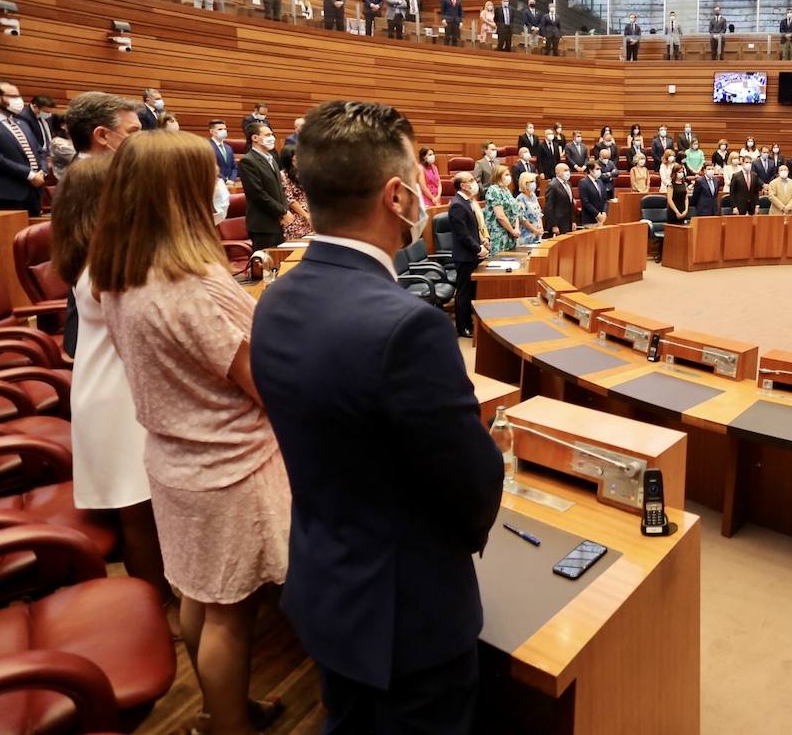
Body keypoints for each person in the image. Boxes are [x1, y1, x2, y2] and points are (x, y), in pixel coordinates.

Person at [251, 101, 502, 733]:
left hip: (327, 591)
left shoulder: (274, 299)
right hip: (407, 619)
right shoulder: (408, 326)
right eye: (418, 176)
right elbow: (473, 489)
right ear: (397, 195)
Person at [92, 131, 290, 735]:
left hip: (173, 460)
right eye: (207, 179)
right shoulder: (199, 283)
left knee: (200, 597)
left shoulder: (121, 275)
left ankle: (218, 709)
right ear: (181, 193)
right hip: (229, 466)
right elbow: (265, 384)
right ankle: (227, 724)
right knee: (231, 614)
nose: (217, 189)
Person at [52, 154, 175, 630]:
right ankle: (157, 611)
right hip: (115, 396)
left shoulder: (89, 256)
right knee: (137, 509)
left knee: (137, 506)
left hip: (102, 389)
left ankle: (157, 602)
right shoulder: (109, 265)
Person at [0, 79, 47, 216]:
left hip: (35, 191)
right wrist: (30, 174)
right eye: (14, 96)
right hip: (9, 194)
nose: (19, 100)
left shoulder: (21, 123)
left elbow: (39, 151)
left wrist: (42, 172)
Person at [239, 122, 291, 250]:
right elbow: (258, 194)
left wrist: (284, 211)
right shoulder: (248, 161)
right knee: (265, 266)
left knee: (279, 263)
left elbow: (280, 189)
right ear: (255, 138)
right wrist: (282, 211)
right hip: (263, 225)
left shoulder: (272, 158)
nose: (272, 137)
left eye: (272, 134)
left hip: (277, 222)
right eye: (267, 134)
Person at [447, 172, 487, 335]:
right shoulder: (457, 204)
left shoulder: (466, 202)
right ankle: (463, 327)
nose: (474, 182)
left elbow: (471, 229)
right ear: (463, 185)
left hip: (471, 254)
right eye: (470, 180)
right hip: (465, 257)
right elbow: (463, 235)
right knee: (463, 292)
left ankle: (469, 323)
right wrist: (478, 249)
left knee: (470, 290)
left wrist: (482, 241)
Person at [484, 165, 521, 254]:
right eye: (506, 175)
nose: (509, 177)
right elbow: (500, 216)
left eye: (509, 175)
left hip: (511, 233)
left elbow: (515, 211)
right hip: (499, 232)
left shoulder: (506, 190)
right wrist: (512, 231)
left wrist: (516, 228)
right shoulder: (494, 190)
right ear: (498, 175)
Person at [544, 163, 574, 236]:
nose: (568, 172)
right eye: (565, 170)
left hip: (568, 222)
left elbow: (571, 203)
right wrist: (554, 225)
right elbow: (549, 207)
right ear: (557, 172)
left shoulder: (568, 184)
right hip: (558, 223)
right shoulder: (552, 185)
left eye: (568, 170)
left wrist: (573, 221)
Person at [515, 172, 544, 245]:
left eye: (534, 181)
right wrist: (535, 230)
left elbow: (538, 213)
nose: (534, 184)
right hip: (526, 236)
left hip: (537, 234)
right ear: (525, 183)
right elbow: (522, 219)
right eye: (531, 181)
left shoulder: (533, 196)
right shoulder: (520, 198)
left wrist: (541, 227)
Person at [578, 161, 608, 226]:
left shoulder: (600, 181)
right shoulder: (583, 182)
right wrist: (597, 214)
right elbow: (585, 202)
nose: (599, 171)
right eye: (597, 169)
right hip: (590, 220)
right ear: (590, 170)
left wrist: (604, 213)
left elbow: (605, 199)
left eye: (600, 169)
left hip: (601, 219)